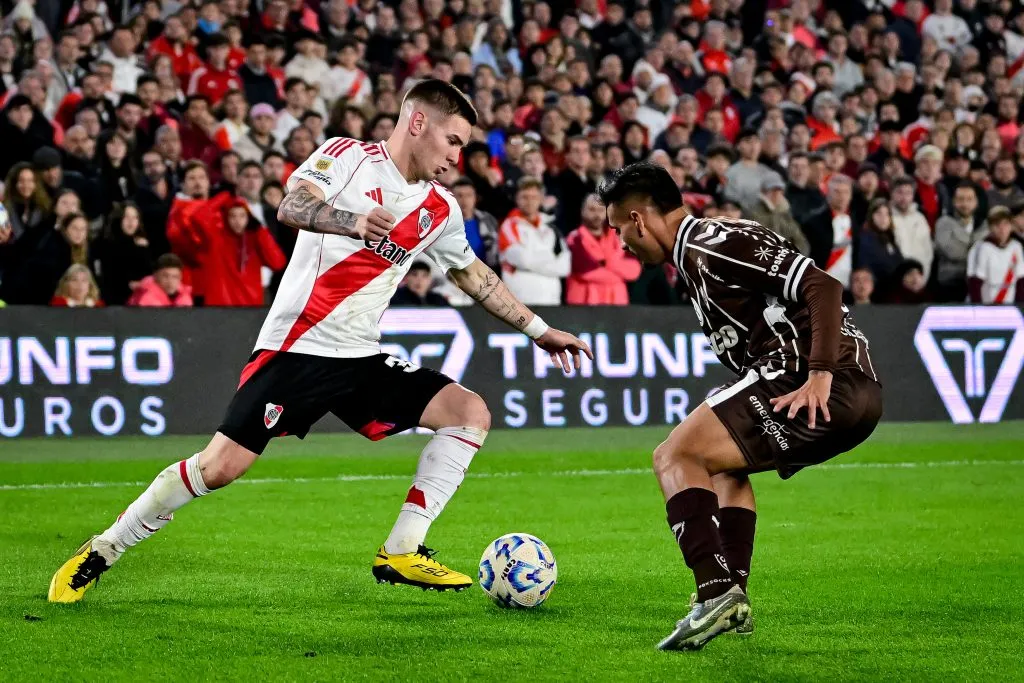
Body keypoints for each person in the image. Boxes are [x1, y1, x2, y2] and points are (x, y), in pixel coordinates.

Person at [50, 80, 591, 603]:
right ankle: (103, 549)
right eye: (452, 140)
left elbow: (474, 275)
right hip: (297, 348)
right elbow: (293, 205)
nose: (457, 155)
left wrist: (540, 332)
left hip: (360, 357)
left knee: (469, 412)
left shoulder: (441, 208)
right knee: (218, 468)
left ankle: (402, 549)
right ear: (417, 122)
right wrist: (352, 221)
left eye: (463, 146)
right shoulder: (347, 157)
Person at [599, 162, 882, 650]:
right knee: (722, 468)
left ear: (638, 220)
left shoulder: (713, 243)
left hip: (812, 378)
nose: (620, 242)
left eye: (617, 228)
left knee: (674, 455)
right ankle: (734, 599)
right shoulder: (697, 257)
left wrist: (820, 374)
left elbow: (824, 287)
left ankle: (714, 592)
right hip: (837, 387)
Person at [498, 176, 571, 306]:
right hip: (520, 302)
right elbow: (523, 259)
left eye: (534, 197)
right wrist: (550, 257)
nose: (529, 201)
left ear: (541, 199)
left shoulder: (551, 228)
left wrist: (533, 260)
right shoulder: (509, 226)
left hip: (551, 300)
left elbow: (565, 267)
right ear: (517, 199)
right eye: (525, 197)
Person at [565, 193, 641, 305]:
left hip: (617, 305)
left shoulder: (619, 238)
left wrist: (605, 263)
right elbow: (586, 271)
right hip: (584, 305)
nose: (597, 214)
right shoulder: (574, 238)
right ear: (582, 211)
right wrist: (619, 275)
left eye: (601, 210)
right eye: (592, 209)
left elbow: (634, 271)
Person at [934, 183, 984, 302]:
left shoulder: (984, 225)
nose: (965, 204)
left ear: (976, 202)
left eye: (969, 199)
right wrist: (974, 253)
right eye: (960, 199)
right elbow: (952, 252)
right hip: (949, 284)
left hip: (977, 284)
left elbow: (986, 253)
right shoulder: (943, 223)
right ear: (954, 201)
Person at [966, 206, 1024, 304]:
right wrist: (978, 307)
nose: (1002, 229)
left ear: (1011, 226)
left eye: (1006, 224)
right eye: (997, 224)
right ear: (990, 227)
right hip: (987, 304)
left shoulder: (1016, 247)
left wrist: (1019, 306)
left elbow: (1021, 279)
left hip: (1009, 305)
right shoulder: (981, 247)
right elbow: (975, 282)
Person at [745, 176, 811, 255]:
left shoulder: (785, 214)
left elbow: (800, 240)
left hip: (788, 256)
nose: (776, 194)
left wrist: (794, 255)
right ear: (764, 192)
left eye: (779, 191)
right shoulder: (754, 213)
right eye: (773, 190)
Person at [128, 253, 193, 307]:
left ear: (180, 278)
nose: (170, 281)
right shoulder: (147, 298)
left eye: (175, 277)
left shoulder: (184, 297)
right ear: (155, 276)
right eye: (165, 276)